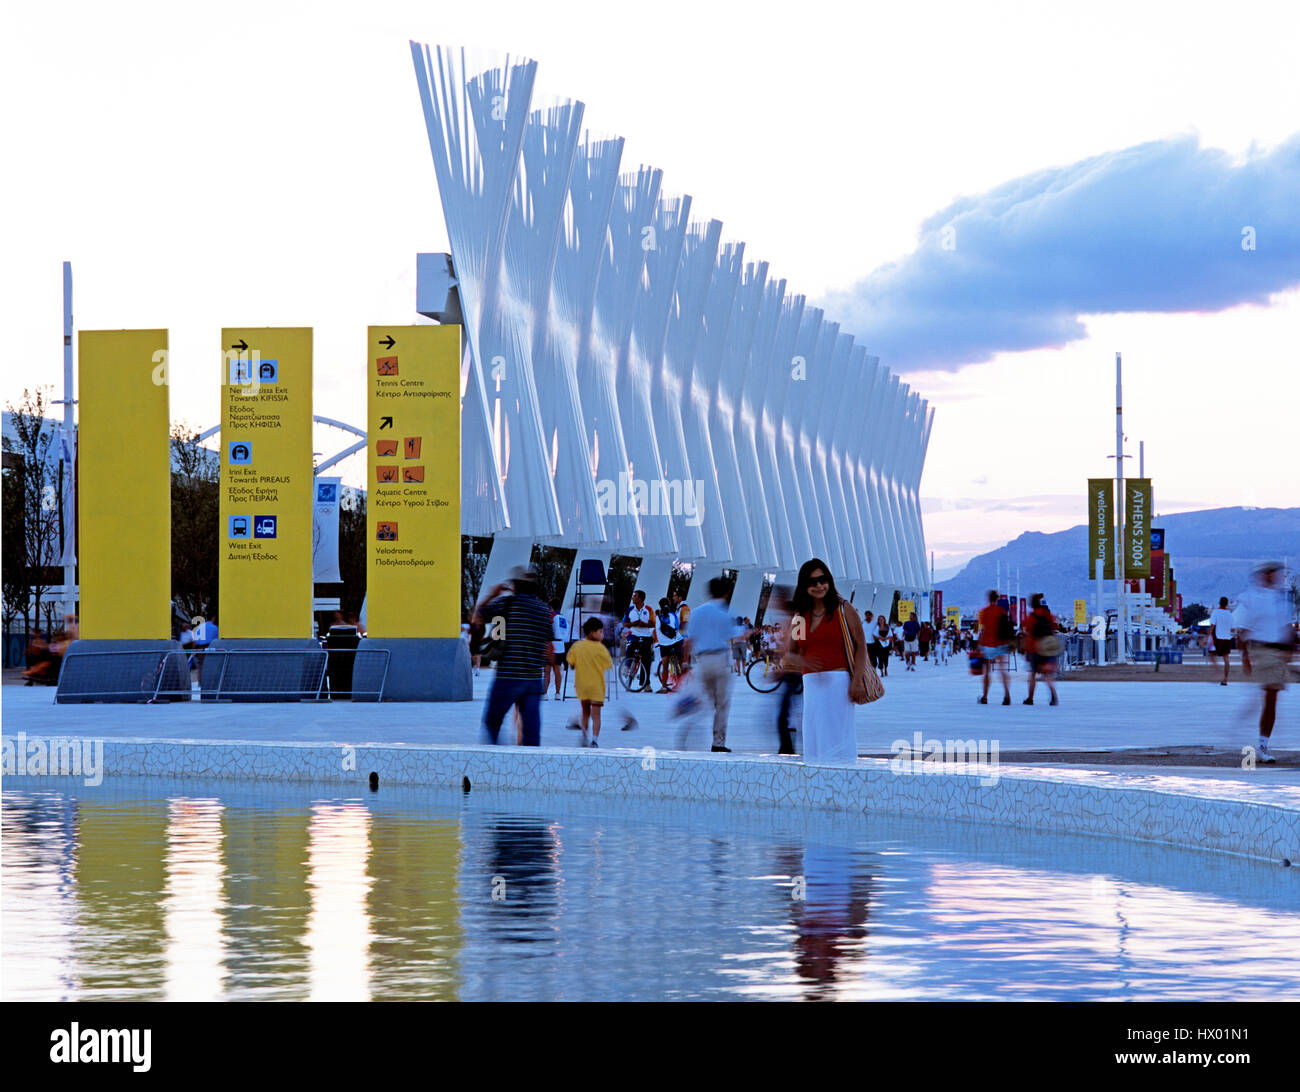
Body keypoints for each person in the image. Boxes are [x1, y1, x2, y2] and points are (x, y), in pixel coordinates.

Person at [782, 558, 867, 764]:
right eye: (813, 582)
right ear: (804, 586)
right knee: (815, 737)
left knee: (839, 737)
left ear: (829, 580)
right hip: (812, 685)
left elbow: (861, 645)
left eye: (822, 580)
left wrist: (857, 680)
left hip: (839, 684)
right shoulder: (801, 616)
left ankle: (844, 783)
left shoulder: (843, 610)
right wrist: (806, 660)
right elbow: (790, 654)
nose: (819, 586)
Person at [473, 566, 554, 746]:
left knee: (492, 722)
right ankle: (529, 767)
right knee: (531, 731)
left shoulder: (506, 603)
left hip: (507, 677)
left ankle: (495, 761)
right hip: (533, 679)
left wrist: (492, 594)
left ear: (515, 586)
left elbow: (477, 617)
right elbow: (549, 648)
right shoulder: (544, 610)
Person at [1234, 562, 1296, 764]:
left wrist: (1289, 651)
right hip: (1263, 651)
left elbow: (1287, 626)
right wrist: (1245, 657)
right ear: (1263, 575)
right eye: (1271, 573)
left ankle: (1261, 741)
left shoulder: (1281, 599)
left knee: (1271, 697)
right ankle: (1260, 745)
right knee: (1270, 695)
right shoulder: (1251, 598)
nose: (1275, 577)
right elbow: (1243, 630)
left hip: (1278, 653)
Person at [681, 578, 744, 752]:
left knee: (702, 700)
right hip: (720, 659)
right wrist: (747, 634)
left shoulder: (696, 612)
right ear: (725, 593)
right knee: (721, 705)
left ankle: (691, 725)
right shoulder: (726, 613)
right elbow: (732, 638)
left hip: (701, 661)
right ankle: (718, 743)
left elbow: (688, 642)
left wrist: (686, 663)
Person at [566, 616, 613, 747]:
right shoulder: (601, 649)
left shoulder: (577, 646)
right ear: (592, 632)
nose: (602, 635)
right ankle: (595, 740)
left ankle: (584, 736)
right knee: (596, 715)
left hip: (582, 685)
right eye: (601, 631)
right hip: (596, 687)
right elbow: (608, 665)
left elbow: (571, 663)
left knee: (585, 712)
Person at [1022, 593, 1060, 706]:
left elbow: (1028, 634)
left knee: (1033, 674)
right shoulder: (1048, 615)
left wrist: (1026, 650)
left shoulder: (1031, 617)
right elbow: (1054, 627)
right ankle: (1053, 693)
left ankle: (1030, 698)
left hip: (1035, 648)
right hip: (1047, 648)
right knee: (1047, 674)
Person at [977, 590, 1012, 705]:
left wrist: (979, 644)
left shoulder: (984, 612)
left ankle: (985, 696)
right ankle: (1007, 695)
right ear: (997, 599)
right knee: (1002, 670)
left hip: (987, 644)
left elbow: (983, 629)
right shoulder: (1002, 611)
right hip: (1001, 643)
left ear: (988, 599)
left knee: (987, 672)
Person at [623, 590, 656, 688]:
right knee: (630, 646)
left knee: (646, 660)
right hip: (634, 635)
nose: (633, 598)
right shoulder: (629, 609)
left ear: (640, 598)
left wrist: (643, 624)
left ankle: (645, 684)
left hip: (645, 636)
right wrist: (633, 624)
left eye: (635, 596)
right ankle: (627, 666)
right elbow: (624, 623)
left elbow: (653, 623)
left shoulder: (649, 609)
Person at [655, 596, 683, 691]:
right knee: (677, 664)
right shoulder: (673, 615)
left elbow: (656, 630)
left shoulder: (658, 617)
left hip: (664, 644)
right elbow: (677, 627)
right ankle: (678, 685)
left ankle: (663, 687)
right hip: (674, 642)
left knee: (665, 666)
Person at [544, 599, 568, 700]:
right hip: (561, 645)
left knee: (547, 670)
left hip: (551, 644)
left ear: (551, 607)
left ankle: (544, 693)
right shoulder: (563, 617)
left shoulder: (552, 616)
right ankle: (558, 693)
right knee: (557, 670)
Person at [1208, 596, 1235, 685]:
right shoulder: (1230, 614)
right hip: (1227, 638)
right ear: (1227, 604)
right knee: (1226, 659)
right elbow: (1232, 629)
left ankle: (1218, 673)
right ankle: (1225, 679)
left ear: (1219, 603)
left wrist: (1207, 637)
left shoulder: (1216, 612)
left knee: (1211, 655)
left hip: (1217, 637)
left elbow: (1212, 626)